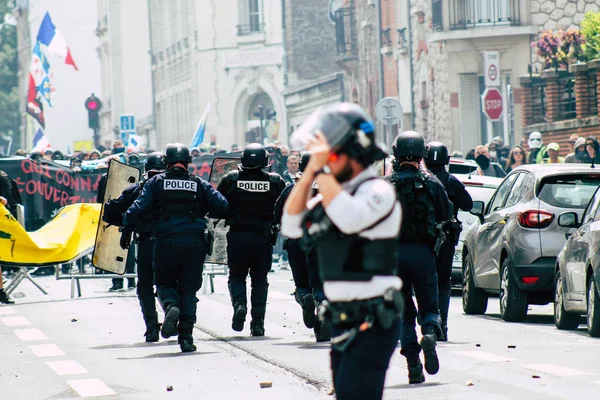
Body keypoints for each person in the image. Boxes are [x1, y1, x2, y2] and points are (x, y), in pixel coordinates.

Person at [282, 103, 403, 400]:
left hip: (374, 316)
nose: (328, 162)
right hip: (342, 318)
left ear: (357, 152)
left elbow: (350, 220)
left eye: (333, 156)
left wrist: (321, 171)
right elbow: (291, 224)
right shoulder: (334, 195)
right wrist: (310, 172)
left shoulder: (377, 191)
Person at [123, 143, 228, 352]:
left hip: (166, 241)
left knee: (164, 283)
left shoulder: (156, 183)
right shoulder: (197, 183)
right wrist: (201, 208)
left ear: (167, 161)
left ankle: (171, 305)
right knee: (189, 290)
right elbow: (223, 206)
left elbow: (136, 209)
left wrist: (127, 226)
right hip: (195, 242)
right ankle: (186, 338)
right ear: (188, 162)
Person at [386, 130, 451, 384]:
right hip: (423, 254)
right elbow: (446, 214)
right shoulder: (432, 183)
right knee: (429, 307)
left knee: (402, 314)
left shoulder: (383, 185)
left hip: (391, 258)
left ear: (396, 154)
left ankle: (413, 366)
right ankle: (431, 334)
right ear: (423, 154)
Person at [215, 143, 286, 336]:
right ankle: (258, 324)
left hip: (238, 235)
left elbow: (217, 204)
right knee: (259, 280)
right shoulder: (276, 181)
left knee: (237, 276)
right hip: (263, 237)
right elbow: (285, 205)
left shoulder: (231, 179)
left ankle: (240, 305)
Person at [102, 152, 167, 342]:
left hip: (146, 241)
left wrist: (124, 228)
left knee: (145, 285)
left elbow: (114, 209)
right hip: (170, 242)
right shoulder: (178, 185)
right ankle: (175, 316)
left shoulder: (138, 188)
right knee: (170, 284)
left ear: (146, 170)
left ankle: (152, 327)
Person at [274, 152, 330, 342]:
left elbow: (277, 213)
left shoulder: (291, 189)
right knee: (322, 284)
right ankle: (322, 307)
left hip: (296, 242)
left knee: (302, 283)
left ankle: (305, 297)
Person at [424, 142, 473, 342]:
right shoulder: (450, 181)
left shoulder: (422, 180)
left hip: (421, 240)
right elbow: (468, 204)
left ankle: (424, 323)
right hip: (444, 239)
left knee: (420, 282)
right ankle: (440, 324)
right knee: (443, 282)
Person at [96, 158, 136, 291]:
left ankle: (130, 280)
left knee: (128, 250)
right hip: (114, 218)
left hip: (126, 216)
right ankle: (117, 281)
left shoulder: (130, 177)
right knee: (115, 250)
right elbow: (101, 199)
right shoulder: (105, 179)